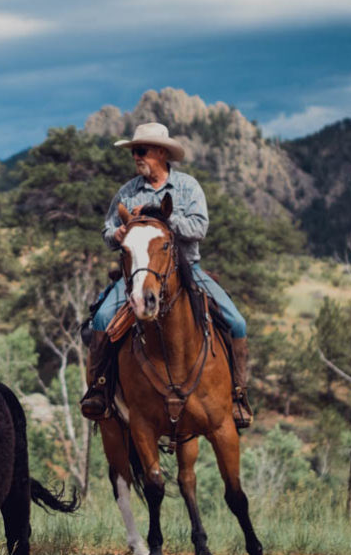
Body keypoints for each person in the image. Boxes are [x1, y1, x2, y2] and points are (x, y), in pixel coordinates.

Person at [79, 122, 253, 428]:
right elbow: (107, 230)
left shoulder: (188, 187)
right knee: (104, 319)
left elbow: (199, 228)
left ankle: (238, 395)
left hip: (187, 269)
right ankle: (100, 391)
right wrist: (117, 233)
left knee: (236, 322)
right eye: (134, 151)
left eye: (141, 150)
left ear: (161, 152)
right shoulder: (127, 192)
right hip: (136, 275)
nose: (136, 156)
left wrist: (166, 223)